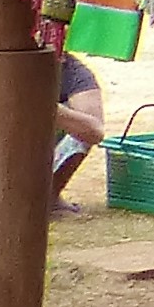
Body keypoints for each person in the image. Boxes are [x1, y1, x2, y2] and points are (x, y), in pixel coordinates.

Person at [51, 48, 108, 213]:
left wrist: (49, 108)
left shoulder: (71, 68)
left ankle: (48, 196)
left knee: (80, 127)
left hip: (36, 149)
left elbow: (94, 131)